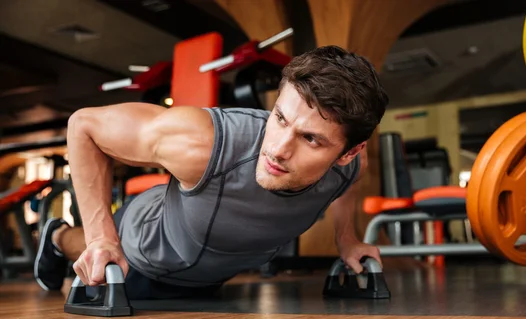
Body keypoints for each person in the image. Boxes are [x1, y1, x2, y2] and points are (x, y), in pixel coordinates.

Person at [34, 45, 389, 299]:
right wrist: (100, 240)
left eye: (311, 139)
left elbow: (351, 182)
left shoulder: (352, 165)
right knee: (93, 247)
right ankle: (56, 236)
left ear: (348, 152)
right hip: (145, 249)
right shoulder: (204, 141)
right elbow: (83, 126)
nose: (278, 149)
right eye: (279, 118)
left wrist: (347, 239)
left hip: (206, 280)